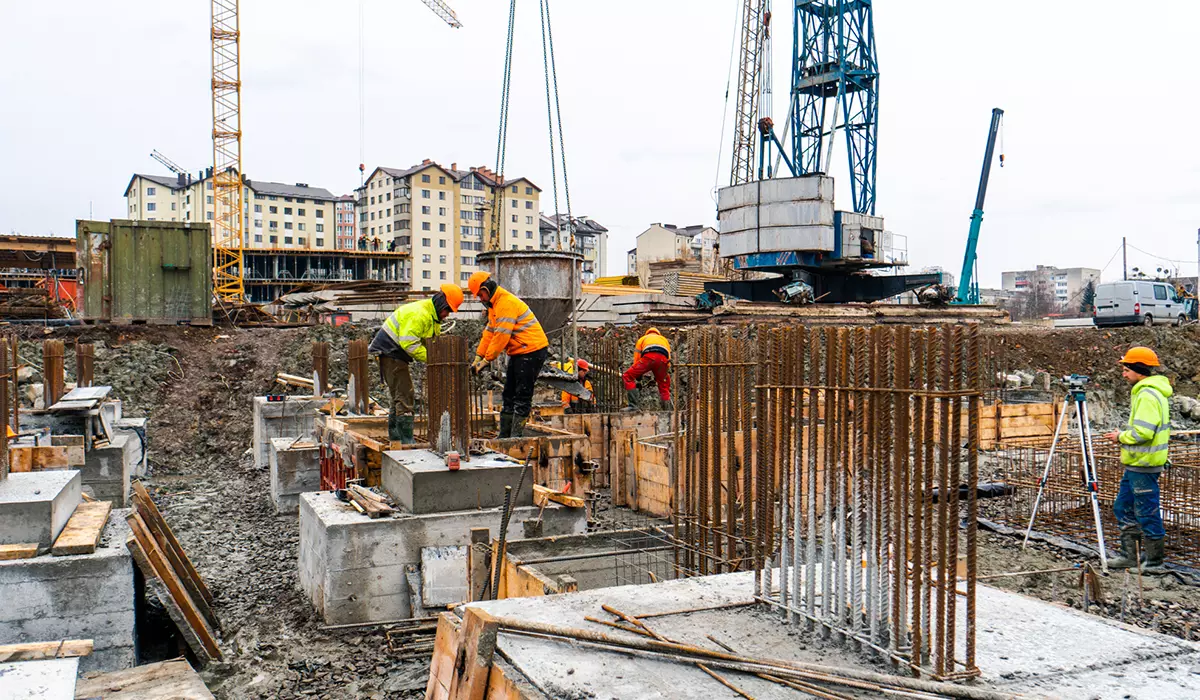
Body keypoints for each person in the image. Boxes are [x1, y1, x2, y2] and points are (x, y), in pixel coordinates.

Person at [1104, 346, 1171, 572]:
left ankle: (1154, 562)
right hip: (1135, 464)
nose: (1123, 374)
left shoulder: (1147, 394)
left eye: (1126, 369)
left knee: (1146, 512)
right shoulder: (1147, 392)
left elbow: (1143, 433)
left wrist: (1119, 437)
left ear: (1138, 369)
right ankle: (1129, 556)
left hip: (1144, 465)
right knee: (1123, 507)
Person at [368, 284, 463, 443]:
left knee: (399, 395)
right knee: (405, 394)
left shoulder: (433, 318)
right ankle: (405, 441)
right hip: (390, 352)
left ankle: (396, 439)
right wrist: (432, 358)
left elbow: (429, 342)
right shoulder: (420, 314)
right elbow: (409, 344)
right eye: (447, 310)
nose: (447, 315)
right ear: (441, 304)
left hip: (394, 353)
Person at [468, 271, 549, 438]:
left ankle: (516, 436)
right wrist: (478, 356)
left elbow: (501, 336)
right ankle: (505, 435)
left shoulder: (505, 303)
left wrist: (486, 360)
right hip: (519, 351)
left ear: (486, 289)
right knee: (509, 394)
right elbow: (489, 332)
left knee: (522, 394)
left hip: (532, 350)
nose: (480, 299)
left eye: (481, 295)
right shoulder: (494, 306)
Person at [623, 327, 671, 410]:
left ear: (647, 333)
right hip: (663, 360)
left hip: (649, 357)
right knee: (663, 385)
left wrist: (638, 375)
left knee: (627, 376)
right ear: (658, 333)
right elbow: (668, 357)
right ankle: (668, 411)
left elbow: (637, 357)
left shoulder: (643, 339)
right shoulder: (664, 339)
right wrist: (663, 373)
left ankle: (633, 406)